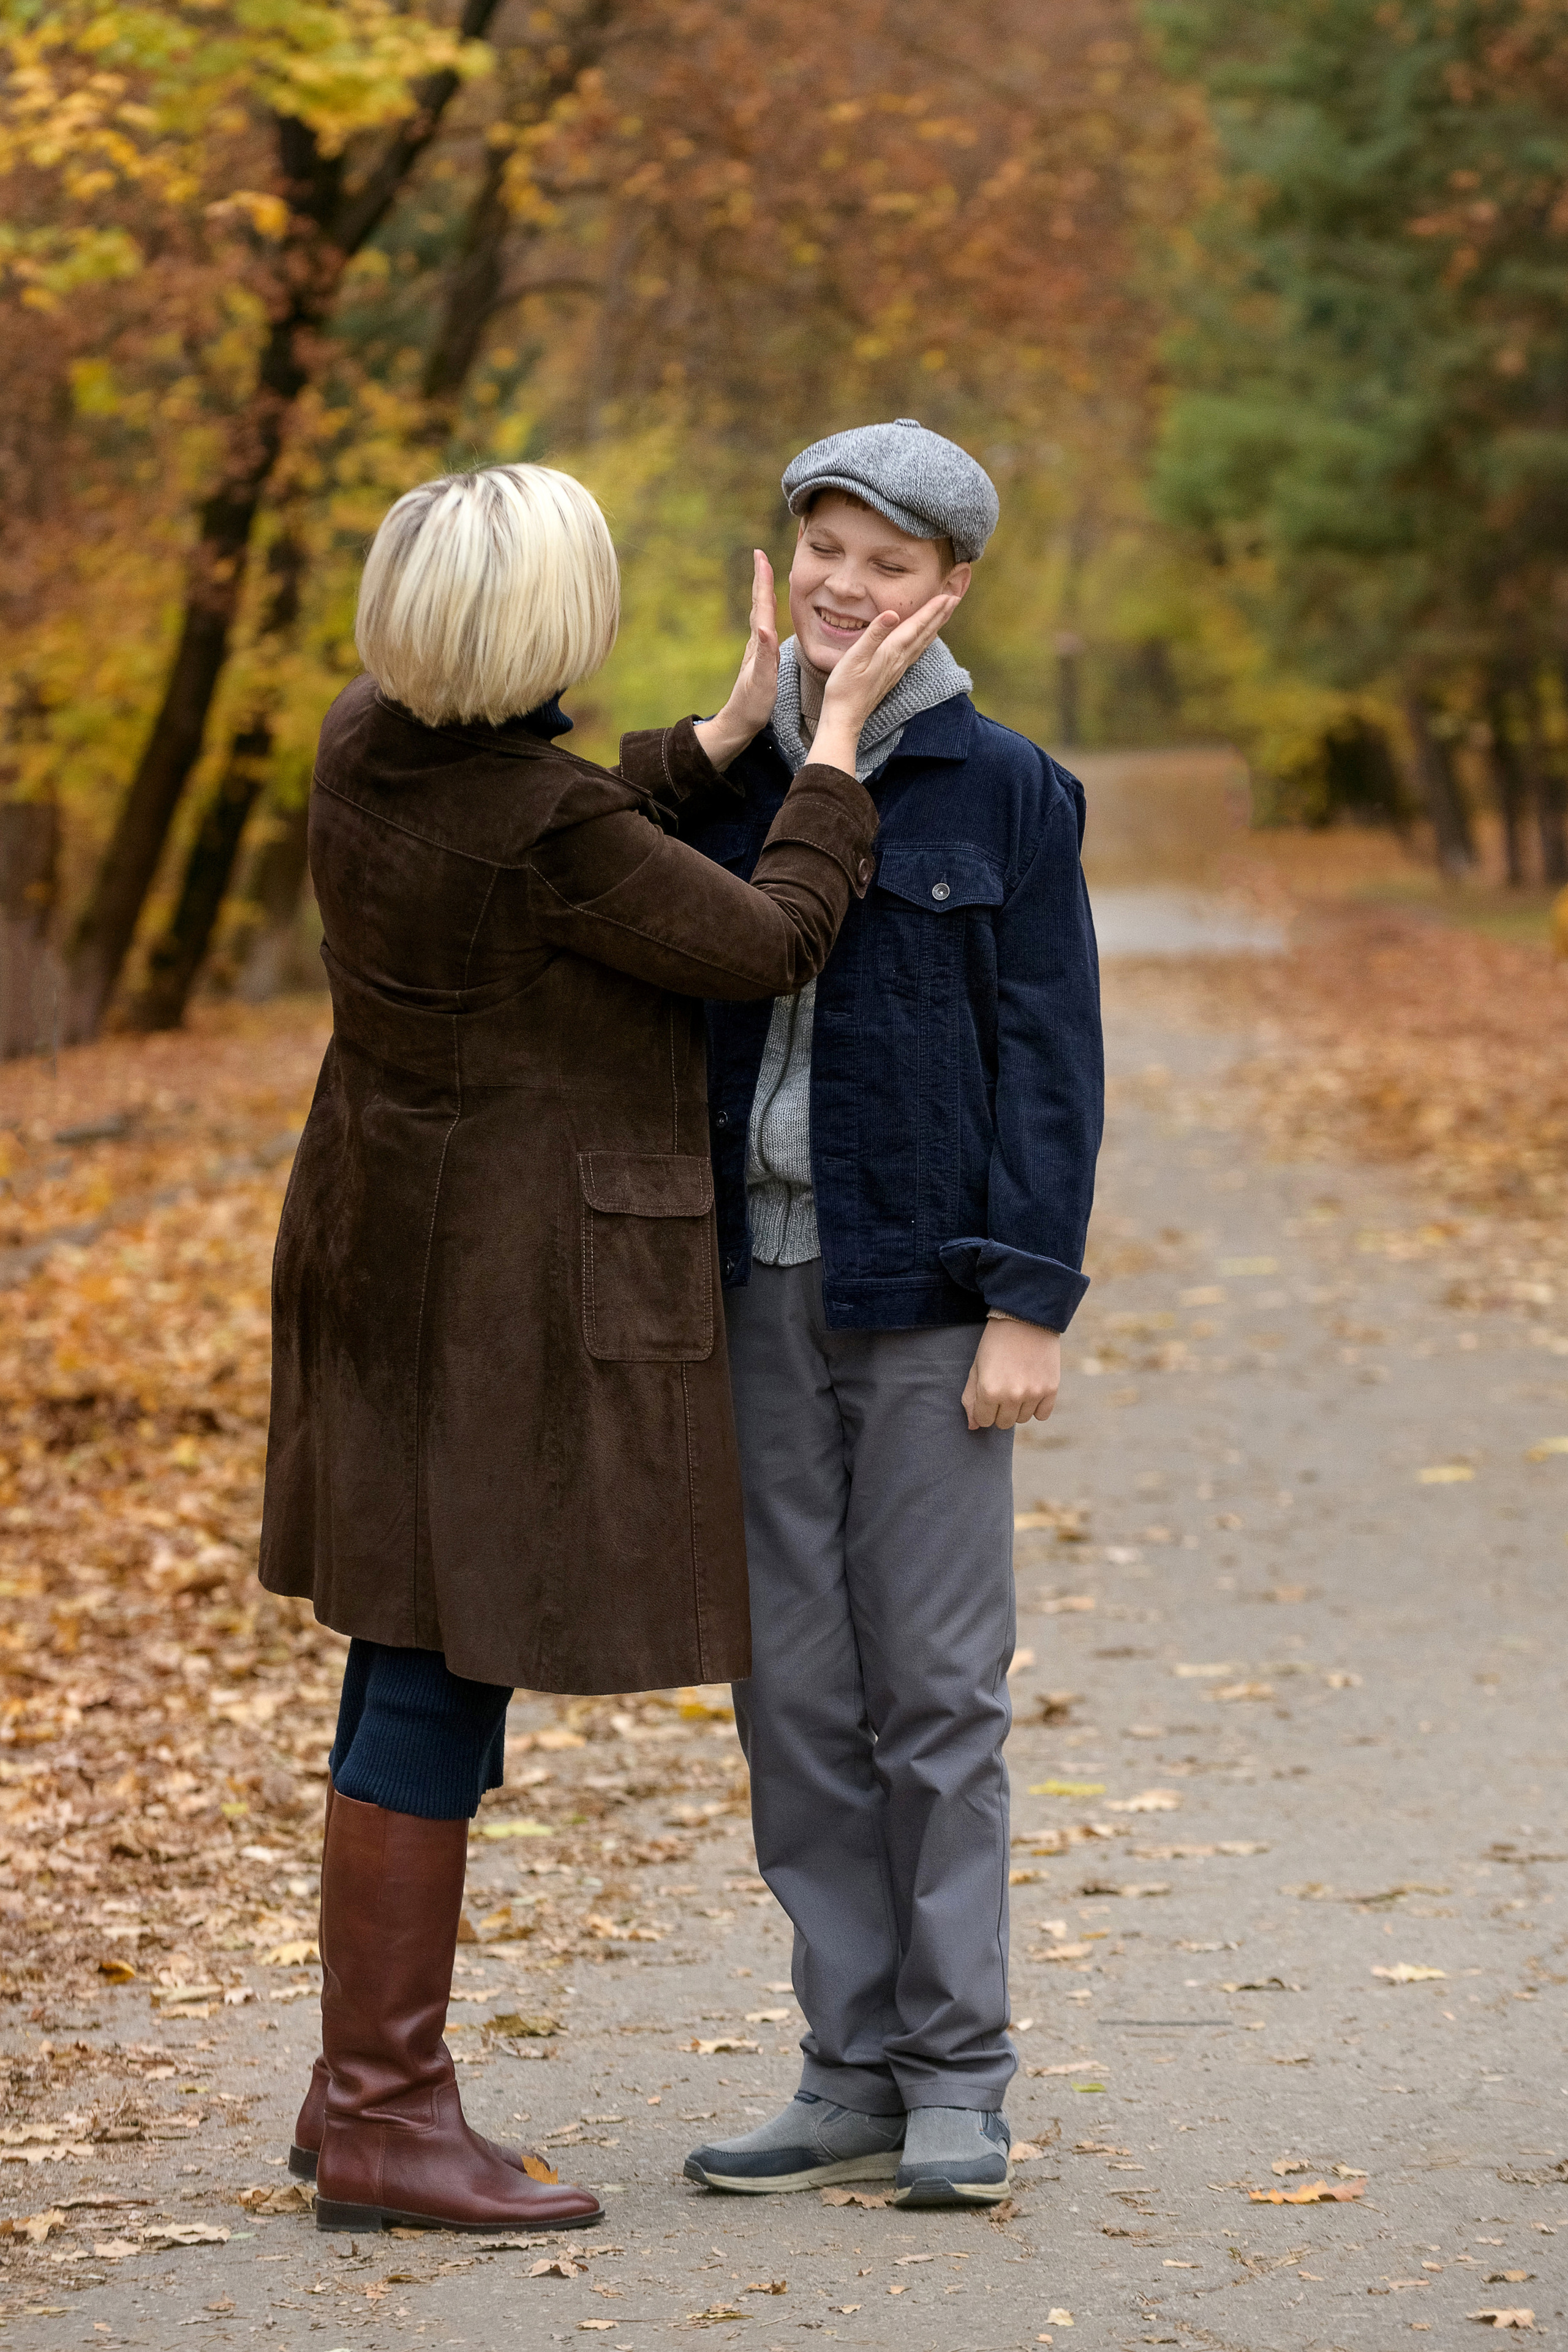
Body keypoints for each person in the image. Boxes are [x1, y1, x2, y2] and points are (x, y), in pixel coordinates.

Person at [257, 459, 957, 2234]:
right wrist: (831, 749)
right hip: (499, 1292)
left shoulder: (372, 740)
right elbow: (767, 937)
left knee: (402, 1642)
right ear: (539, 626)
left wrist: (720, 731)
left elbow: (566, 824)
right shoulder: (539, 828)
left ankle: (355, 2091)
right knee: (434, 1665)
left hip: (378, 1259)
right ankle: (393, 2116)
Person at [679, 420, 1104, 2208]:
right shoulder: (718, 777)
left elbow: (1051, 1060)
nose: (852, 586)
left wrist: (1029, 1303)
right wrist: (734, 746)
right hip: (747, 1289)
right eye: (828, 548)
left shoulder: (1008, 790)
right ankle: (845, 2067)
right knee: (794, 1692)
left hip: (924, 1301)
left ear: (950, 594)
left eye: (891, 563)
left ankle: (958, 2077)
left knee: (934, 1694)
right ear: (791, 558)